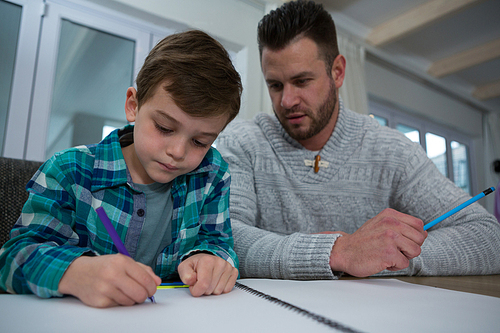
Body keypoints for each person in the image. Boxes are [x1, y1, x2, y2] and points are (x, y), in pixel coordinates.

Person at [216, 0, 500, 280]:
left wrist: (388, 254)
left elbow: (489, 238)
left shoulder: (393, 151)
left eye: (302, 81)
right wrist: (340, 252)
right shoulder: (243, 142)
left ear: (337, 72)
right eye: (275, 85)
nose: (287, 100)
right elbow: (225, 239)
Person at [0, 30, 242, 307]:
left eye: (200, 141)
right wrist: (76, 272)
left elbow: (219, 243)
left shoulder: (212, 174)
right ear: (133, 106)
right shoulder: (69, 170)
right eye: (164, 128)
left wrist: (211, 259)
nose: (178, 152)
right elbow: (12, 258)